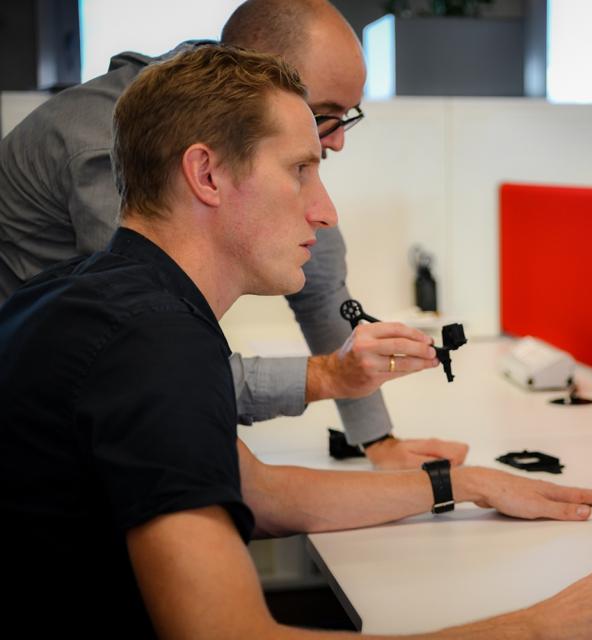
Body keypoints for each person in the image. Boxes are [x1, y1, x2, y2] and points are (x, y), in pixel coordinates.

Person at [0, 45, 592, 640]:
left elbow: (261, 491)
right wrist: (540, 626)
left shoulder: (102, 293)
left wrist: (459, 484)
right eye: (301, 168)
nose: (325, 210)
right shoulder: (152, 345)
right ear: (206, 174)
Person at [0, 0, 465, 470]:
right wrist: (327, 376)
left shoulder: (247, 124)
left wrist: (379, 441)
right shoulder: (117, 141)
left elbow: (322, 287)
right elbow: (150, 356)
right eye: (326, 113)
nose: (339, 139)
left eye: (349, 115)